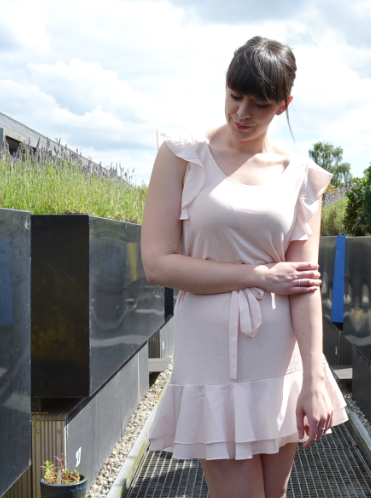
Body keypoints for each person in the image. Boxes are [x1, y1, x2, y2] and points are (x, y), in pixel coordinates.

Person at [141, 36, 348, 498]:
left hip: (279, 356)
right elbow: (157, 265)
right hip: (211, 356)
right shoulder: (182, 155)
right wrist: (256, 275)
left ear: (284, 104)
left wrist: (314, 379)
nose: (242, 113)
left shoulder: (300, 175)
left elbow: (304, 283)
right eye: (235, 96)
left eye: (260, 104)